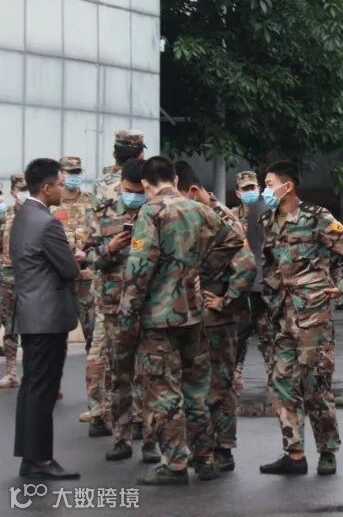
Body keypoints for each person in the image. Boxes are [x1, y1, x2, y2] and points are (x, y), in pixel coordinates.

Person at [117, 156, 253, 485]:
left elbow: (138, 270)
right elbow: (234, 238)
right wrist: (200, 267)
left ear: (146, 184)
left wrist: (127, 314)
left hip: (159, 317)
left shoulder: (150, 212)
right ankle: (204, 458)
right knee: (196, 388)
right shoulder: (199, 210)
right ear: (175, 180)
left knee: (163, 390)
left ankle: (175, 464)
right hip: (194, 313)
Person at [258, 161, 343, 476]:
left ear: (287, 186)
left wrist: (341, 286)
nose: (265, 190)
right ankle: (294, 454)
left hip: (313, 316)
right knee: (282, 383)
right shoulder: (268, 220)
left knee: (316, 385)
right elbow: (268, 263)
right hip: (282, 315)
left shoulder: (317, 217)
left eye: (269, 183)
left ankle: (327, 451)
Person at [176, 162, 255, 473]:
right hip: (196, 315)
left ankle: (220, 449)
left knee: (218, 385)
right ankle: (207, 448)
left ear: (194, 191)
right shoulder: (197, 214)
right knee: (202, 383)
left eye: (180, 196)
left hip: (216, 317)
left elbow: (246, 264)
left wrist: (226, 301)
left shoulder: (220, 218)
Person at [11, 158, 81, 480]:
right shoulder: (47, 223)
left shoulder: (23, 216)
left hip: (31, 313)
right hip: (47, 316)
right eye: (59, 184)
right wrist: (77, 257)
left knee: (31, 387)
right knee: (43, 389)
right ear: (45, 187)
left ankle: (30, 457)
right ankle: (40, 460)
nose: (62, 190)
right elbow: (69, 268)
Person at [90, 159, 158, 465]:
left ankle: (150, 441)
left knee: (149, 375)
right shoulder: (104, 211)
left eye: (138, 191)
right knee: (118, 374)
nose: (133, 196)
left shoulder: (156, 212)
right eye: (128, 190)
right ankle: (121, 438)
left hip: (148, 305)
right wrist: (110, 248)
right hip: (114, 306)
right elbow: (89, 256)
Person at [51, 156, 102, 429]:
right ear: (60, 174)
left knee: (94, 342)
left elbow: (99, 234)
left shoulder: (91, 202)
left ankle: (96, 402)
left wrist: (86, 252)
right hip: (58, 281)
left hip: (86, 280)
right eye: (69, 172)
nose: (74, 176)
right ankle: (52, 386)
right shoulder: (52, 204)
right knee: (54, 337)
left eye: (77, 171)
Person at [232, 170, 273, 393]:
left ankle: (273, 374)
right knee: (239, 333)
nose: (250, 191)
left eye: (253, 187)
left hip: (263, 281)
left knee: (267, 331)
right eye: (245, 188)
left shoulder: (267, 213)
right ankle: (235, 374)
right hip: (239, 282)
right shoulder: (230, 216)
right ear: (238, 193)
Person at [0, 173, 27, 389]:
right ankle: (11, 372)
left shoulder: (39, 214)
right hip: (8, 276)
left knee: (34, 327)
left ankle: (35, 375)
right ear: (13, 192)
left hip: (33, 277)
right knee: (9, 325)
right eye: (21, 190)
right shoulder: (5, 215)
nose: (24, 194)